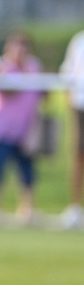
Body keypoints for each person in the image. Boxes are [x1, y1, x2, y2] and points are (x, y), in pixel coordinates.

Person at [0, 33, 43, 225]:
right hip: (1, 128)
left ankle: (26, 210)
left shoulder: (34, 68)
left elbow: (40, 97)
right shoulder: (1, 67)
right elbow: (7, 90)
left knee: (27, 172)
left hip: (25, 129)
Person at [60, 28, 84, 229]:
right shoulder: (79, 41)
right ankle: (75, 207)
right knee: (78, 155)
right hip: (81, 106)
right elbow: (68, 74)